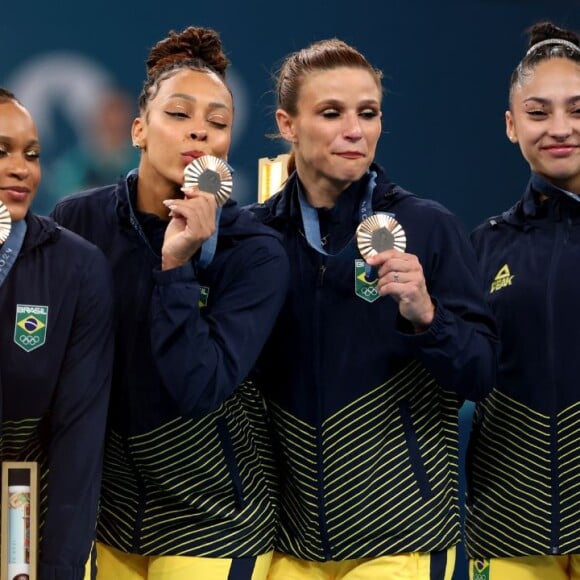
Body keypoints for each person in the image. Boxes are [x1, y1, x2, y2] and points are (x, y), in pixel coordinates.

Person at [246, 38, 498, 580]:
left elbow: (480, 372)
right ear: (287, 125)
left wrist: (428, 315)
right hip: (290, 542)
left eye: (369, 113)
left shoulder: (429, 227)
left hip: (403, 538)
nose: (354, 131)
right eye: (331, 113)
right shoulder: (254, 236)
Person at [50, 26, 290, 580]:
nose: (199, 132)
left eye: (218, 123)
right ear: (139, 129)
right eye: (179, 114)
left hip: (214, 520)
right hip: (105, 517)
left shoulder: (254, 250)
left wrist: (176, 265)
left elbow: (198, 386)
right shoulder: (76, 221)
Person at [466, 21, 580, 580]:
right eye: (538, 113)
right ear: (512, 126)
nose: (559, 128)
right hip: (509, 530)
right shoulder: (481, 247)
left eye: (577, 109)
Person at [0, 87, 114, 579]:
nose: (21, 167)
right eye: (1, 150)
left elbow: (79, 439)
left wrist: (62, 570)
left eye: (32, 154)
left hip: (26, 524)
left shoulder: (77, 267)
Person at [37, 88, 140, 216]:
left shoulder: (141, 163)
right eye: (108, 120)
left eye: (119, 119)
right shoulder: (73, 163)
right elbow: (60, 204)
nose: (114, 125)